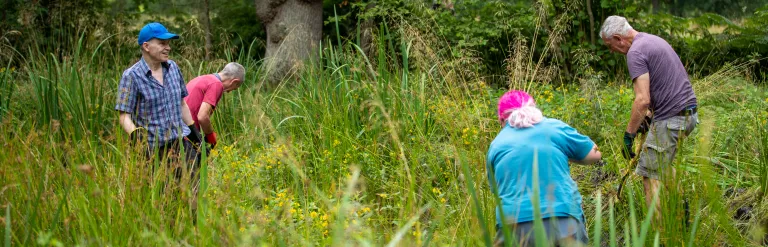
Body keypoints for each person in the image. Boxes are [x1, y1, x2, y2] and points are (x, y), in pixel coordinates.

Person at [600, 16, 698, 216]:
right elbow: (665, 84)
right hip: (688, 114)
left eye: (610, 46)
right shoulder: (652, 40)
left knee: (648, 175)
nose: (611, 51)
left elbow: (642, 99)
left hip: (671, 118)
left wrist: (628, 136)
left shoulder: (635, 52)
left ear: (619, 38)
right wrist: (651, 115)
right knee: (661, 165)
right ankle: (682, 215)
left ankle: (658, 236)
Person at [487, 90, 602, 246]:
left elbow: (497, 190)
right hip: (562, 219)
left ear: (502, 121)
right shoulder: (554, 127)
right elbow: (594, 154)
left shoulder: (496, 145)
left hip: (513, 225)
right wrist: (565, 153)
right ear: (533, 109)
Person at [114, 22, 202, 212]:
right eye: (162, 43)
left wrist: (194, 130)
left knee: (194, 192)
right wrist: (134, 133)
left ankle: (194, 231)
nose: (168, 47)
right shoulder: (131, 76)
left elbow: (182, 104)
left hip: (181, 143)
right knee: (164, 201)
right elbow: (123, 115)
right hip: (153, 151)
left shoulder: (173, 68)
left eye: (168, 43)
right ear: (146, 46)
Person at [183, 62, 245, 149]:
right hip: (186, 135)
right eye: (234, 88)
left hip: (175, 130)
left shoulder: (203, 78)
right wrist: (211, 136)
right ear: (235, 81)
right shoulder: (216, 84)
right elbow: (202, 117)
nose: (229, 91)